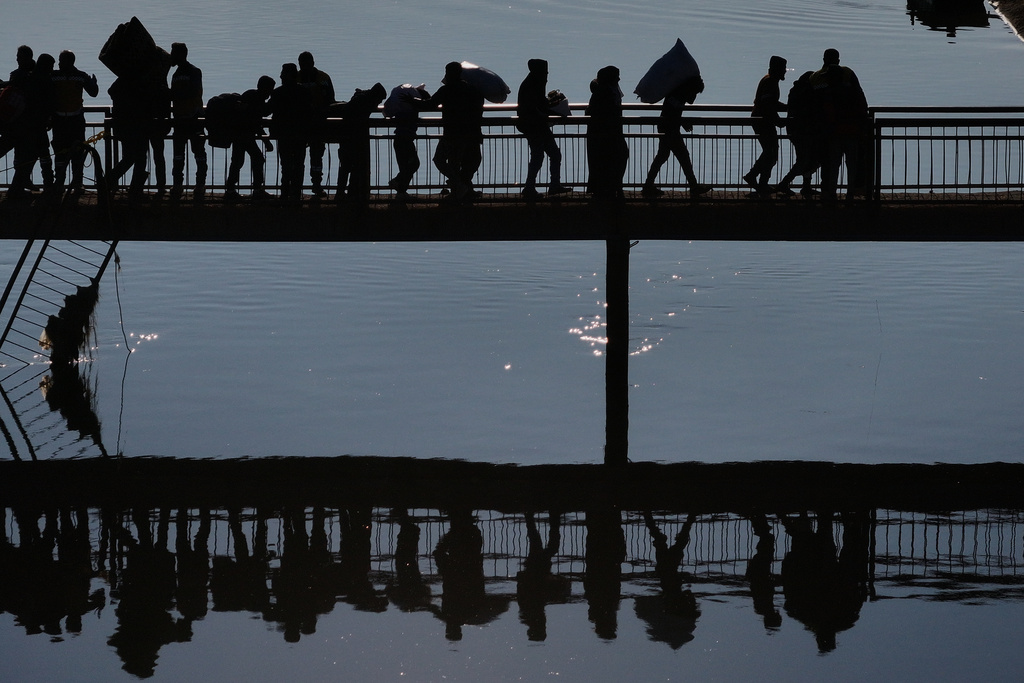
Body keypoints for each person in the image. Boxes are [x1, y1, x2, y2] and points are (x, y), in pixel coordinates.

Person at [414, 62, 485, 202]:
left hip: (453, 133)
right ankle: (465, 190)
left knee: (443, 160)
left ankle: (457, 189)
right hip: (472, 132)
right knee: (468, 163)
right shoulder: (472, 89)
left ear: (448, 73)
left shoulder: (447, 90)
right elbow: (479, 107)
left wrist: (412, 101)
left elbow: (430, 104)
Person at [809, 48, 869, 201]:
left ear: (823, 60)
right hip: (851, 132)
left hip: (831, 132)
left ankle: (829, 194)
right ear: (839, 60)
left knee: (830, 164)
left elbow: (815, 107)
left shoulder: (815, 78)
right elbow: (862, 101)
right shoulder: (848, 75)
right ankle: (851, 194)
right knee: (852, 164)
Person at [639, 75, 712, 198]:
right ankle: (693, 186)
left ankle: (647, 185)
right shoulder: (678, 94)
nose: (694, 96)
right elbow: (672, 113)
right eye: (695, 92)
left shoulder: (678, 92)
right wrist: (682, 122)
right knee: (682, 156)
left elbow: (673, 112)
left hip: (668, 126)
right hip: (670, 128)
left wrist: (681, 122)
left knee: (662, 156)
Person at [516, 59, 570, 198]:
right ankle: (531, 187)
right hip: (534, 126)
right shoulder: (532, 84)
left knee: (551, 155)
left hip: (537, 125)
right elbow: (536, 108)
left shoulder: (532, 83)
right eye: (545, 72)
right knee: (539, 156)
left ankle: (552, 185)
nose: (547, 75)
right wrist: (556, 113)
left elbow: (540, 104)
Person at [50, 50, 99, 197]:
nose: (59, 63)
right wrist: (93, 83)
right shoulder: (79, 76)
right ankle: (66, 183)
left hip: (68, 121)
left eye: (61, 60)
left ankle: (70, 183)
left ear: (69, 61)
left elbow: (93, 92)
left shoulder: (55, 76)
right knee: (66, 152)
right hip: (68, 121)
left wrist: (93, 84)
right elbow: (94, 92)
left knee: (69, 153)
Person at [224, 75, 275, 203]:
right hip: (243, 134)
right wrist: (266, 141)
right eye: (269, 91)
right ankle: (256, 190)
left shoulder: (250, 95)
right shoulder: (255, 99)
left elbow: (256, 120)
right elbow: (257, 121)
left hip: (240, 134)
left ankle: (230, 189)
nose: (269, 95)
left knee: (238, 161)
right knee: (254, 159)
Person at [334, 82, 387, 204]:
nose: (379, 103)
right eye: (379, 100)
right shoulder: (364, 102)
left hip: (347, 137)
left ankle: (343, 193)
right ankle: (350, 193)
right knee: (352, 166)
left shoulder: (361, 98)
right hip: (353, 138)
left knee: (346, 167)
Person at [743, 55, 788, 197]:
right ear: (777, 69)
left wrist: (786, 108)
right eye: (783, 69)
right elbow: (768, 105)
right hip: (763, 121)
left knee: (770, 151)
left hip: (762, 120)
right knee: (771, 152)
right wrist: (779, 120)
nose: (785, 72)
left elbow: (770, 103)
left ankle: (757, 179)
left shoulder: (769, 80)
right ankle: (757, 179)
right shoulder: (771, 82)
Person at [269, 63, 313, 205]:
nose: (280, 76)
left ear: (287, 75)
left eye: (282, 73)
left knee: (286, 165)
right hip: (300, 134)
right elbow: (309, 113)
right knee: (299, 164)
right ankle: (295, 193)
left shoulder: (278, 93)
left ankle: (284, 193)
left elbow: (267, 110)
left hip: (284, 134)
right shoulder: (304, 92)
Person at [169, 42, 207, 201]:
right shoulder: (175, 74)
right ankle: (178, 185)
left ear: (181, 54)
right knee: (178, 155)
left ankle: (200, 185)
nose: (171, 56)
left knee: (199, 154)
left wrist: (174, 95)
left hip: (194, 118)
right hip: (179, 119)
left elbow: (193, 92)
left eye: (173, 53)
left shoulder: (194, 71)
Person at [774, 70, 819, 197]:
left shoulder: (794, 91)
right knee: (807, 159)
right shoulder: (808, 92)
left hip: (794, 129)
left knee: (805, 158)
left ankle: (804, 186)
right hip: (804, 130)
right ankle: (786, 183)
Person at [586, 65, 628, 200]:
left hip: (604, 133)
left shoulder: (604, 90)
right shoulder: (606, 92)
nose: (619, 79)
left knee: (608, 160)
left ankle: (609, 188)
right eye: (617, 76)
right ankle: (613, 188)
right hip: (608, 133)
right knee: (615, 158)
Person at [297, 51, 335, 198]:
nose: (304, 67)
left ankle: (316, 184)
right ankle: (297, 187)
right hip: (300, 124)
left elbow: (330, 100)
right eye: (302, 64)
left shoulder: (323, 78)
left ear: (313, 63)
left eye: (306, 63)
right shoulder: (295, 77)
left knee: (316, 156)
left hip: (318, 124)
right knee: (299, 158)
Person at [384, 84, 430, 200]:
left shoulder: (402, 105)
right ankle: (397, 183)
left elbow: (387, 111)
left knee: (406, 166)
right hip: (404, 139)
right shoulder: (411, 107)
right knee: (413, 164)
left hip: (401, 138)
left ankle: (401, 192)